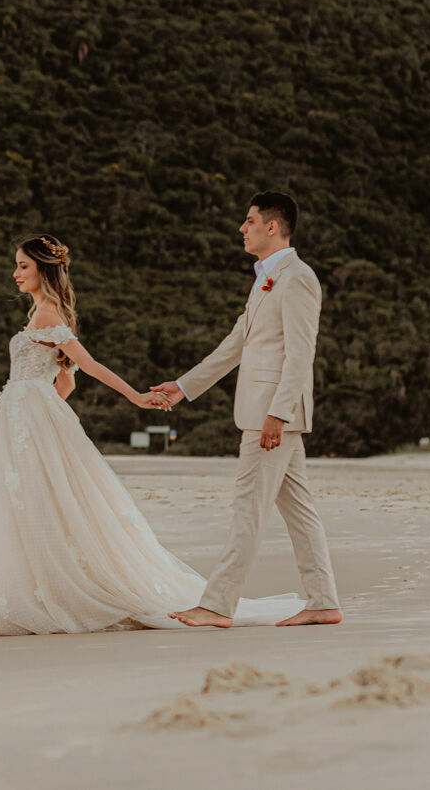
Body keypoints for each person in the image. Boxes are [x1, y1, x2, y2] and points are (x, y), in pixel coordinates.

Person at [0, 234, 303, 636]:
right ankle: (36, 590)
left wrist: (135, 397)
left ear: (43, 268)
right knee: (32, 506)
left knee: (35, 506)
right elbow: (66, 385)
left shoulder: (49, 314)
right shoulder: (42, 313)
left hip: (28, 417)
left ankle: (47, 594)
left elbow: (87, 366)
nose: (15, 273)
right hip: (25, 419)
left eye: (23, 265)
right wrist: (31, 419)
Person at [151, 191, 344, 628]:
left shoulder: (298, 278)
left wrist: (279, 413)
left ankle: (217, 605)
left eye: (249, 220)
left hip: (270, 418)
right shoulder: (264, 279)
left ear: (271, 227)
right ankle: (323, 601)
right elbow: (234, 345)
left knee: (246, 509)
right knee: (300, 512)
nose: (243, 228)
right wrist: (182, 387)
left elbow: (300, 354)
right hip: (268, 414)